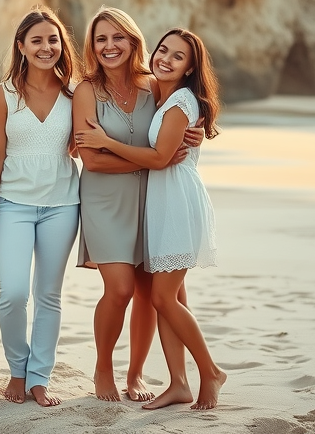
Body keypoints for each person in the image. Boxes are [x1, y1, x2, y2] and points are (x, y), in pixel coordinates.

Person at [74, 27, 227, 409]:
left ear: (191, 67)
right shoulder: (157, 88)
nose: (167, 60)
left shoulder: (166, 94)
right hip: (142, 198)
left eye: (178, 56)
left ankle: (205, 373)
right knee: (159, 295)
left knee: (161, 296)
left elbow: (161, 152)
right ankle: (177, 381)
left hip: (166, 200)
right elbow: (149, 145)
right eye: (164, 51)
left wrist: (111, 143)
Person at [0, 6, 80, 407]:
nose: (46, 47)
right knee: (13, 293)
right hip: (11, 204)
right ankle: (17, 368)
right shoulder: (3, 95)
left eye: (53, 40)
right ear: (22, 46)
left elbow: (88, 140)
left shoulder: (75, 92)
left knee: (49, 295)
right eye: (37, 40)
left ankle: (39, 377)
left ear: (61, 45)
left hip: (64, 204)